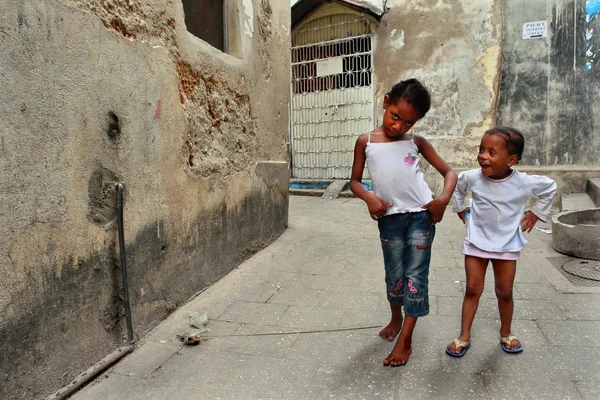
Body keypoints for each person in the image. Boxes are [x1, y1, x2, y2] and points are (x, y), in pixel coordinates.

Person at [350, 79, 458, 366]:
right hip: (389, 220)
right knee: (394, 274)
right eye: (395, 116)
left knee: (415, 276)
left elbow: (450, 173)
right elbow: (355, 181)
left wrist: (442, 200)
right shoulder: (366, 141)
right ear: (386, 103)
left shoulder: (416, 143)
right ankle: (396, 318)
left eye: (408, 123)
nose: (399, 126)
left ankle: (406, 339)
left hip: (421, 216)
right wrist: (369, 198)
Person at [446, 126, 557, 357]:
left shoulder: (523, 182)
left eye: (491, 152)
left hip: (507, 245)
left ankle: (506, 332)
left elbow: (550, 187)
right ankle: (464, 336)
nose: (483, 156)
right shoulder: (473, 177)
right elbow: (458, 185)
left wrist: (536, 212)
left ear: (511, 160)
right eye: (481, 150)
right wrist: (460, 210)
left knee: (504, 292)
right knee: (472, 289)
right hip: (476, 242)